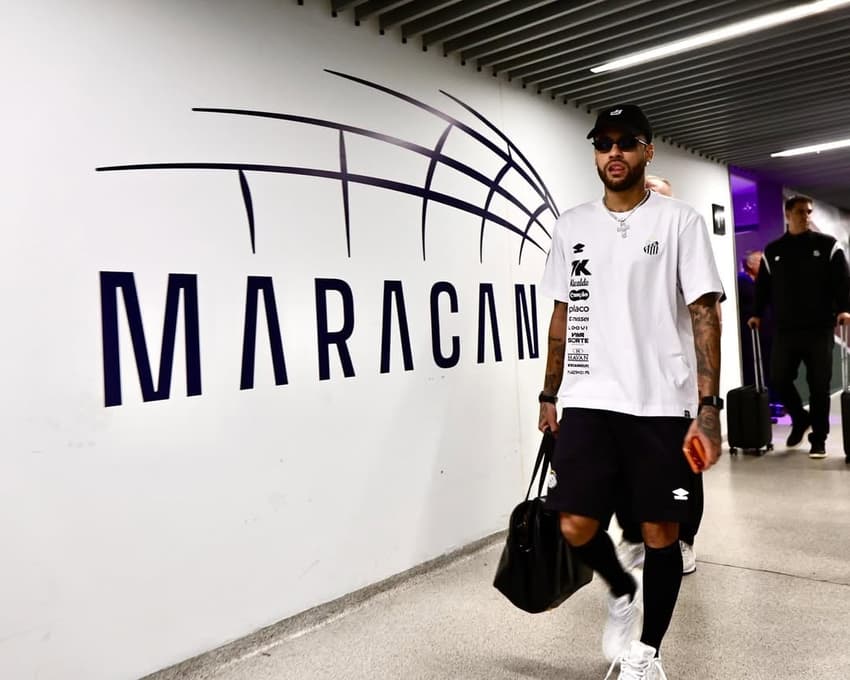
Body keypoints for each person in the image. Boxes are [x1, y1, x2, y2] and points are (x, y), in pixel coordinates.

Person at [538, 104, 723, 679]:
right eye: (603, 143)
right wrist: (549, 393)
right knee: (573, 521)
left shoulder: (680, 221)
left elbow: (703, 315)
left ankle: (647, 653)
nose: (613, 152)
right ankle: (620, 587)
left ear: (647, 150)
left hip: (661, 405)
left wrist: (709, 407)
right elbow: (562, 317)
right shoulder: (572, 225)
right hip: (590, 399)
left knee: (660, 530)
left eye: (625, 142)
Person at [614, 175, 705, 578]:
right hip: (625, 385)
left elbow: (705, 318)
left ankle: (683, 538)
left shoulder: (687, 247)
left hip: (675, 381)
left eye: (660, 198)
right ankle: (634, 536)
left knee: (684, 467)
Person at [748, 196, 850, 459]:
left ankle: (819, 439)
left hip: (820, 327)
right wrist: (756, 313)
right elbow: (763, 287)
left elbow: (842, 280)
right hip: (786, 328)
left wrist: (844, 308)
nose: (806, 216)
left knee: (818, 385)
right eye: (801, 212)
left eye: (809, 212)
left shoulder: (827, 245)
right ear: (787, 215)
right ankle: (800, 418)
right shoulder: (773, 250)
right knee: (779, 377)